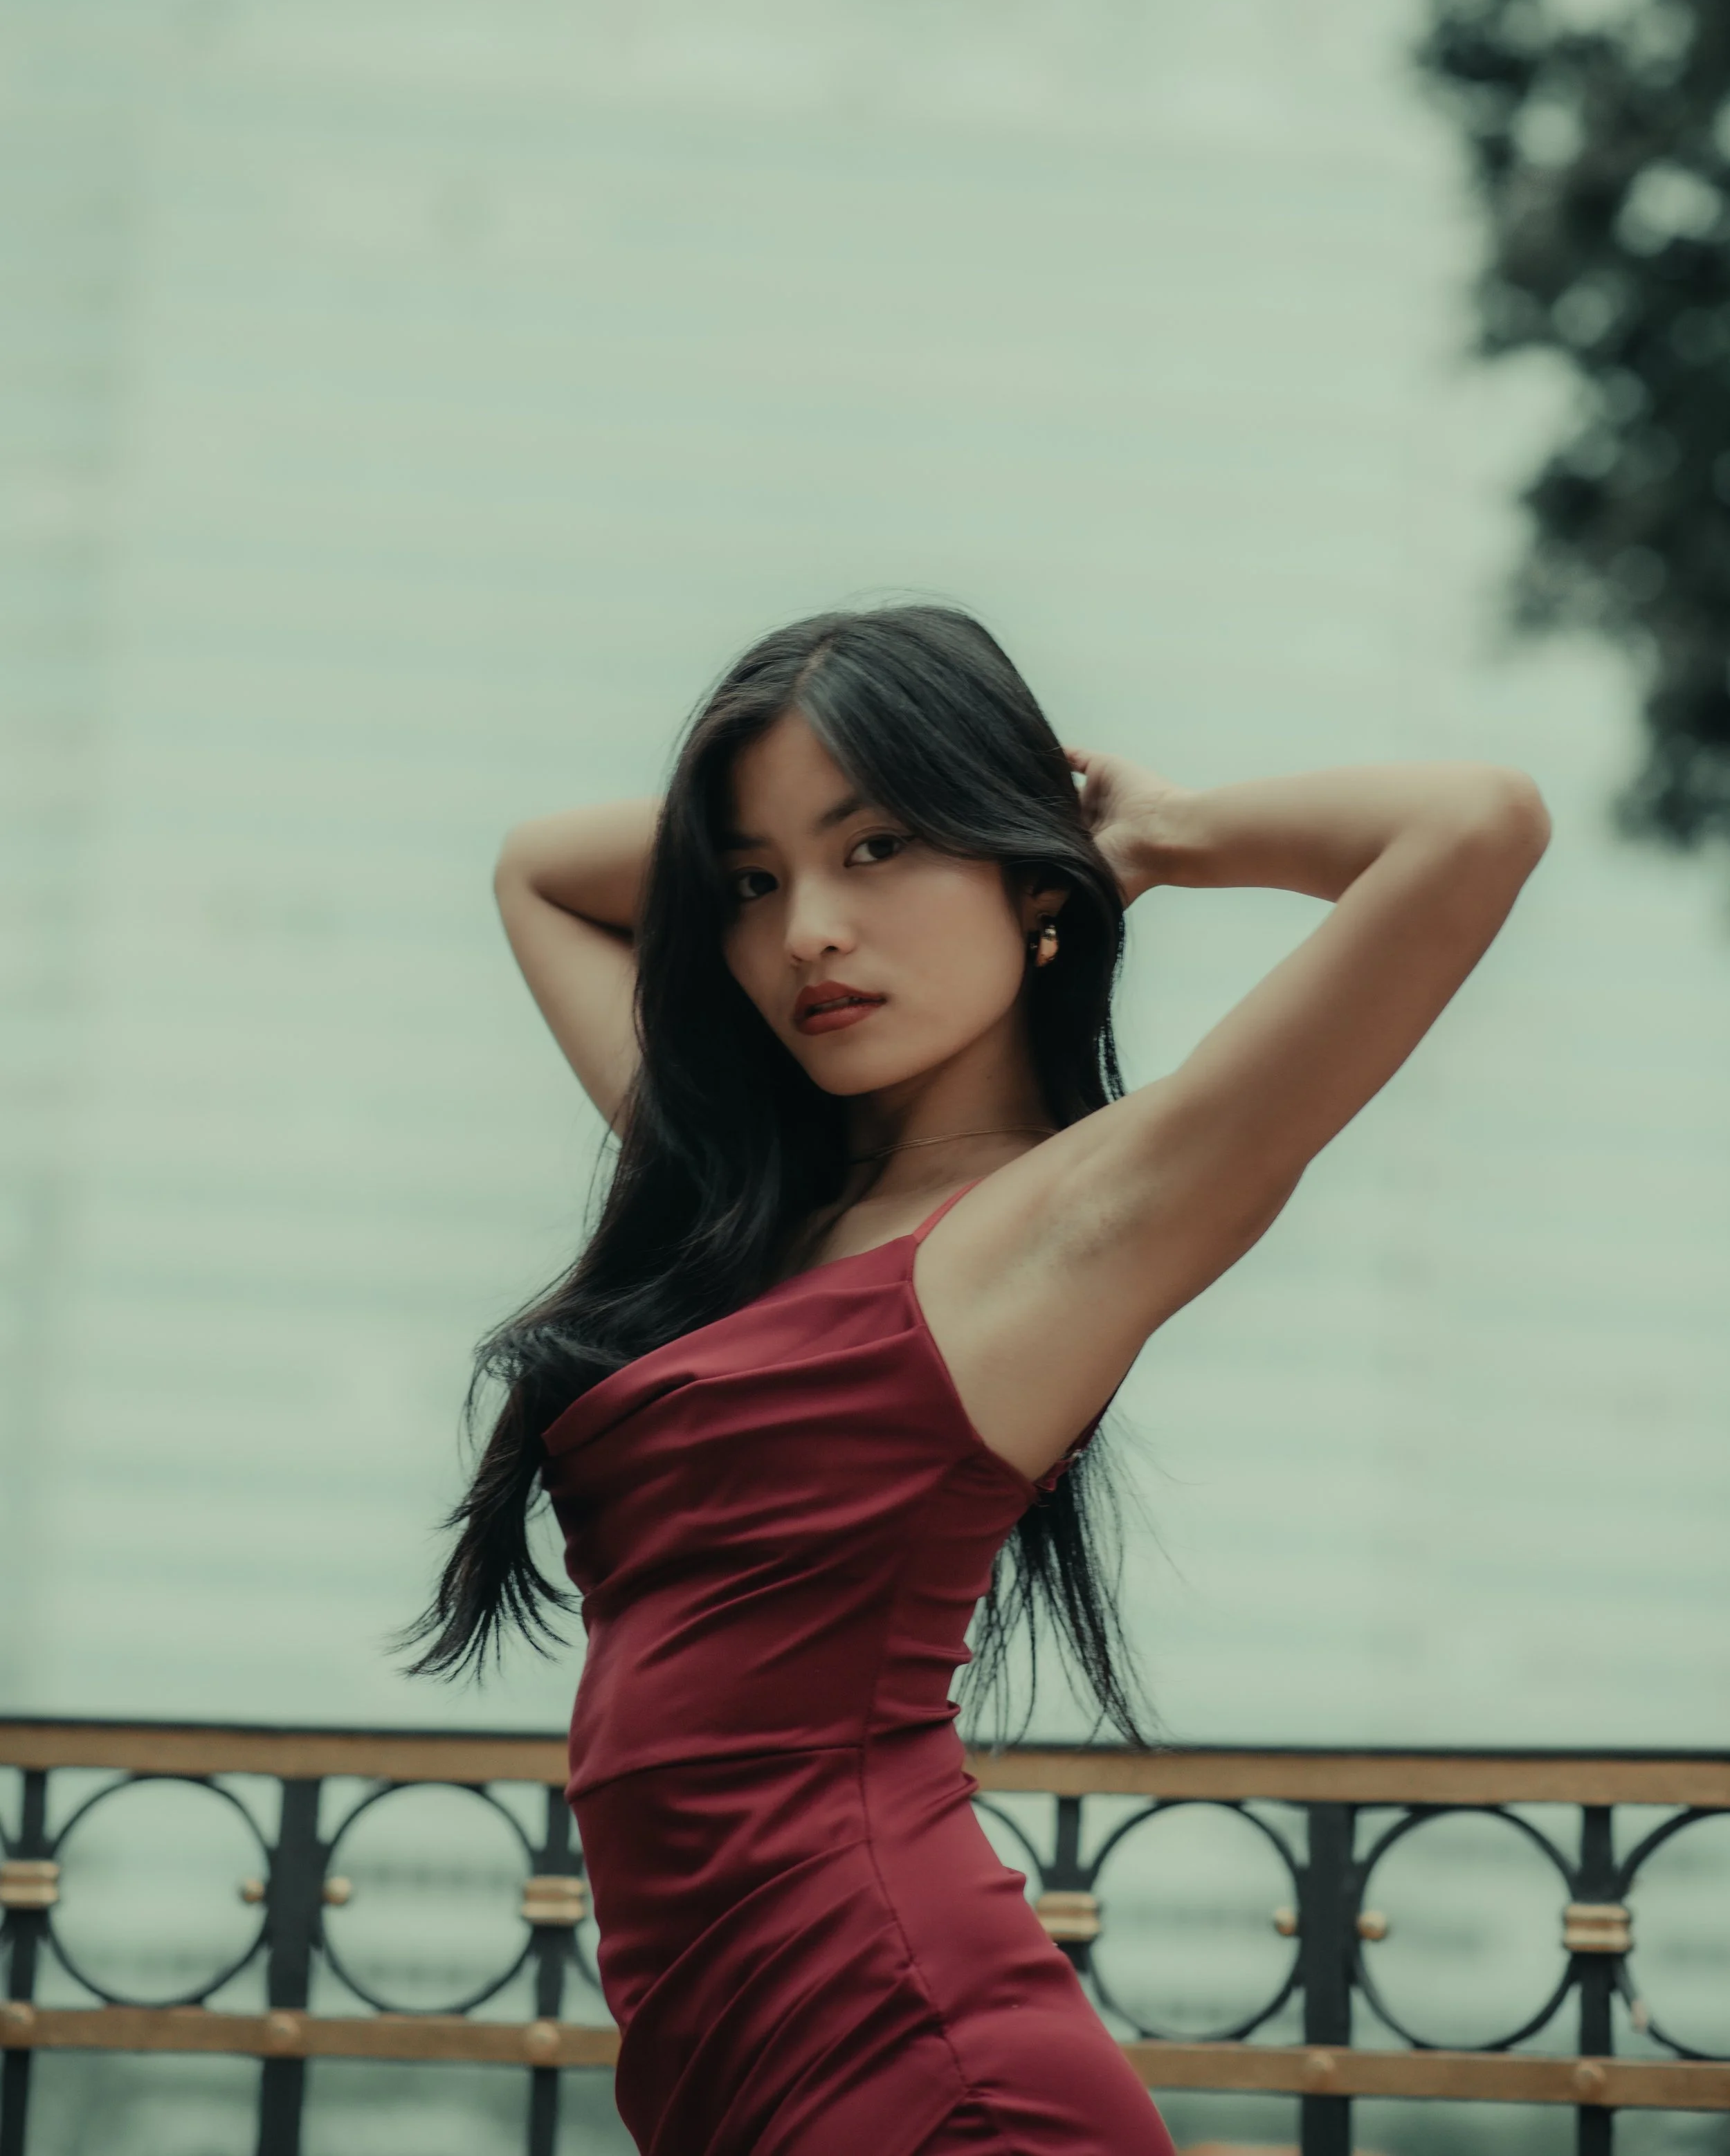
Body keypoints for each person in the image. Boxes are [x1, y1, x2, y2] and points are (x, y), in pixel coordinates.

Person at [400, 601, 1549, 2156]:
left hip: (921, 2066)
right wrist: (836, 822)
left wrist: (1151, 833)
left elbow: (1476, 826)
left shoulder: (1074, 1224)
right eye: (751, 883)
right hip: (733, 2059)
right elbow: (539, 868)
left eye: (876, 850)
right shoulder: (730, 1198)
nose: (804, 930)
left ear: (1029, 877)